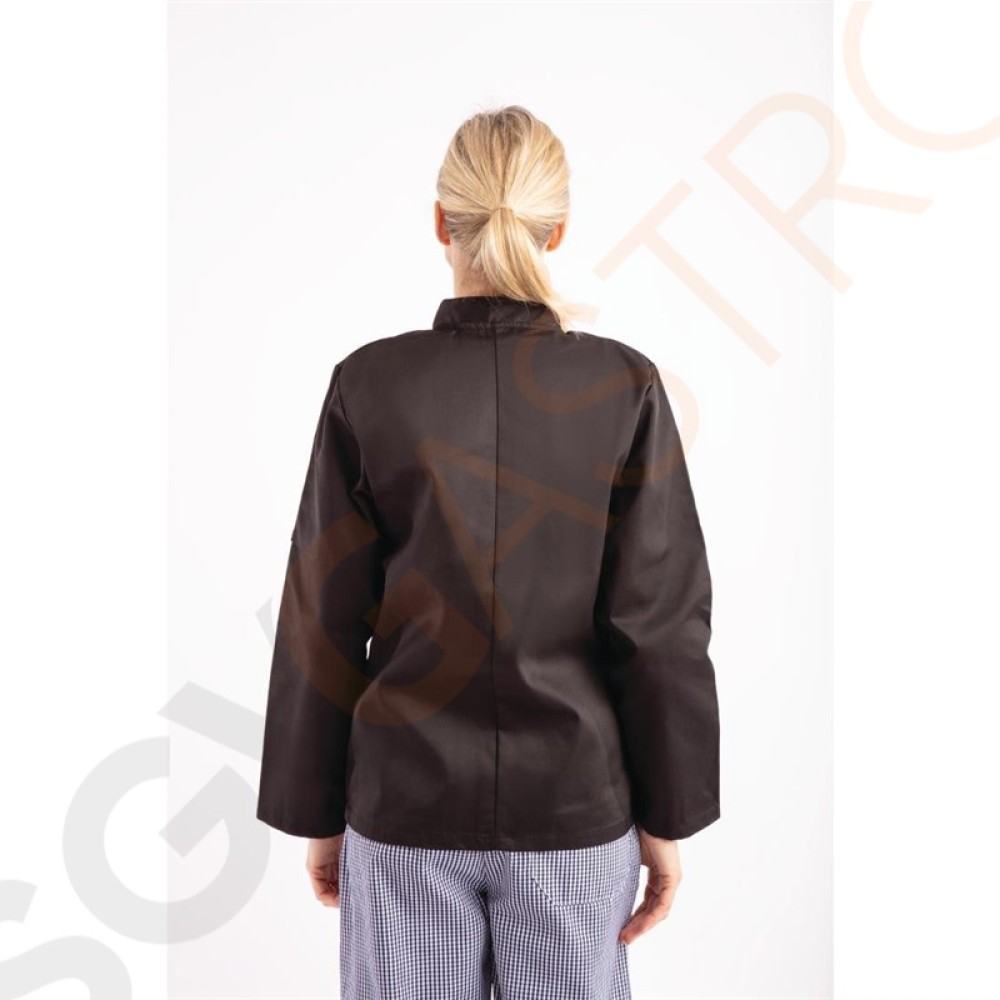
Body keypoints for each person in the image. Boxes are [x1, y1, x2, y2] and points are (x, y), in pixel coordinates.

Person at [256, 105, 720, 1000]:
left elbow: (324, 615)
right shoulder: (622, 385)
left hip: (404, 808)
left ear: (442, 222)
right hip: (576, 813)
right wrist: (667, 817)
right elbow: (659, 625)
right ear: (558, 228)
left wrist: (318, 813)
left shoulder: (369, 384)